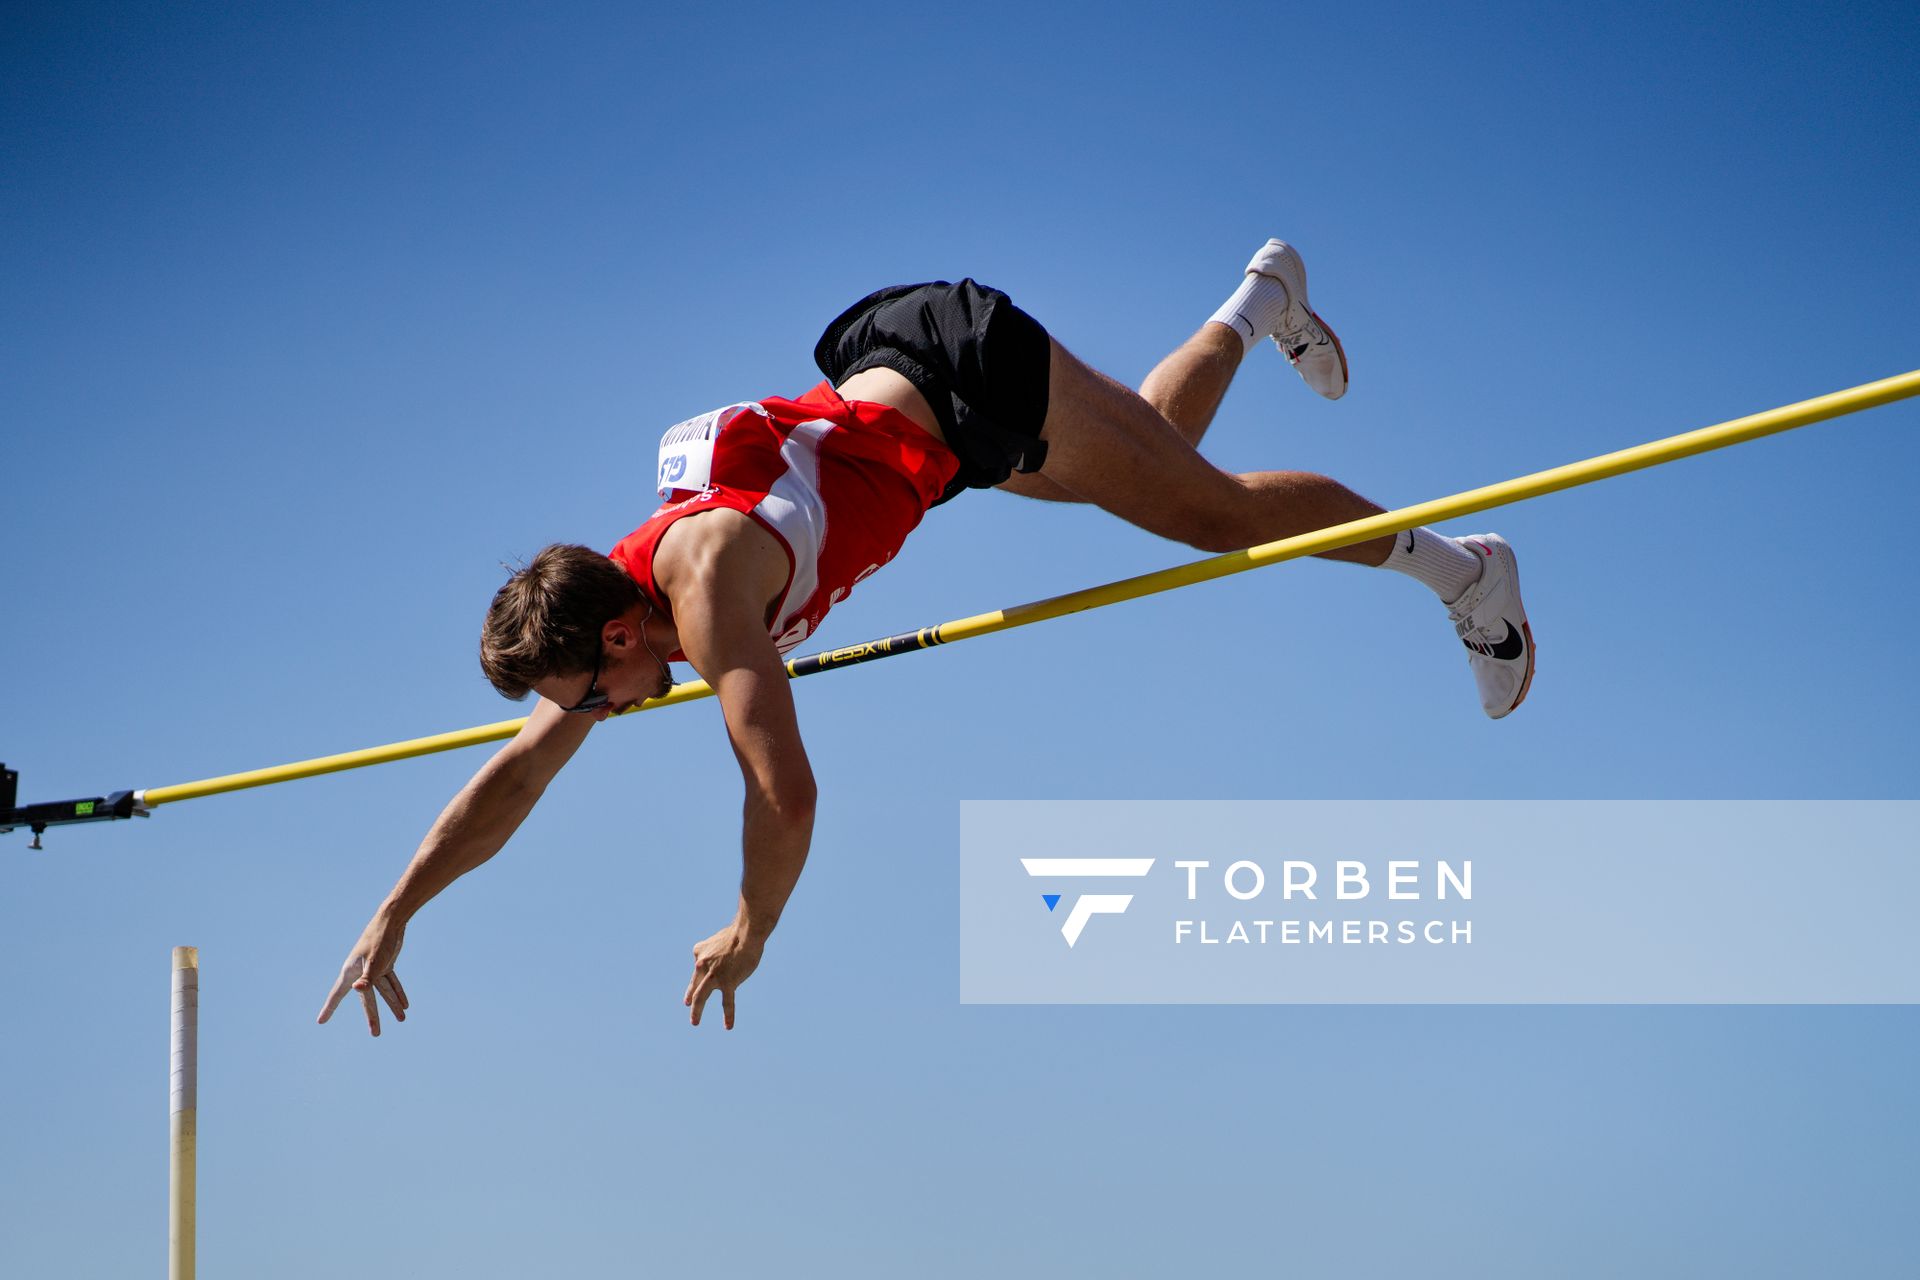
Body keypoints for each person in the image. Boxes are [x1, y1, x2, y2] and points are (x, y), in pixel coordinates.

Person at [316, 239, 1535, 1036]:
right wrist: (396, 907)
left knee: (1212, 516)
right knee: (1155, 457)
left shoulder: (705, 590)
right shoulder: (621, 608)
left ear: (622, 633)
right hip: (920, 412)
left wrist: (752, 925)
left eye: (590, 693)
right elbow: (516, 775)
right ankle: (1265, 299)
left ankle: (1467, 573)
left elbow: (783, 790)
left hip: (958, 374)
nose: (591, 715)